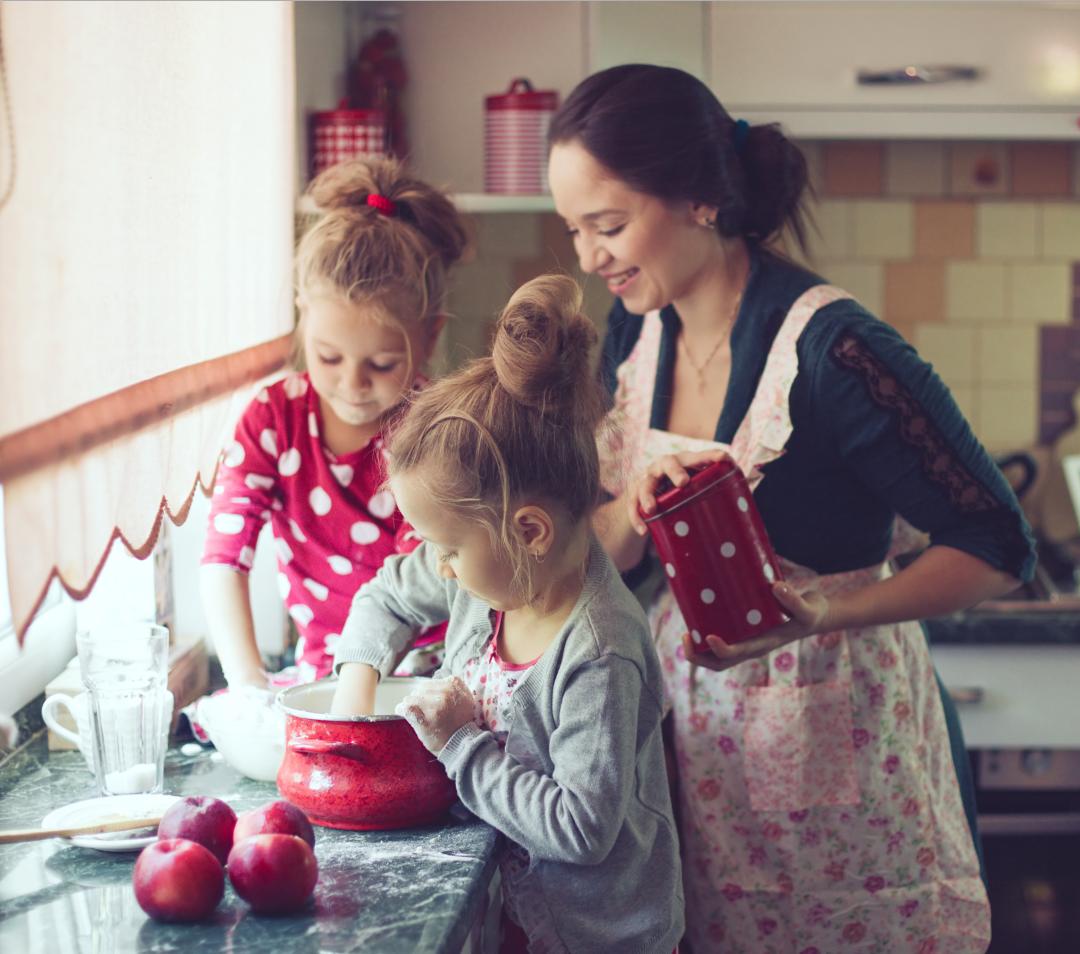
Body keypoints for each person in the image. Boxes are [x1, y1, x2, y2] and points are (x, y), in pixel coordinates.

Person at [548, 64, 1037, 953]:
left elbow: (997, 547)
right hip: (694, 747)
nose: (589, 258)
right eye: (573, 230)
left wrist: (818, 613)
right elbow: (614, 547)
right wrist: (630, 515)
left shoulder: (836, 350)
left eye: (608, 226)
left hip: (837, 740)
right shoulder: (636, 329)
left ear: (699, 198)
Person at [328, 275, 684, 954]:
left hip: (599, 938)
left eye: (447, 548)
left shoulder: (599, 652)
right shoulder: (490, 578)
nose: (438, 566)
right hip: (516, 912)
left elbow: (580, 829)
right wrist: (355, 689)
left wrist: (461, 744)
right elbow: (386, 595)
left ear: (529, 531)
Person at [200, 157, 465, 691]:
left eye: (382, 364)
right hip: (323, 675)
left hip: (431, 674)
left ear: (430, 336)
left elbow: (410, 592)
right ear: (304, 318)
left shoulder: (435, 427)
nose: (352, 383)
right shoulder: (273, 418)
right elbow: (224, 558)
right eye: (328, 357)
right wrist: (248, 685)